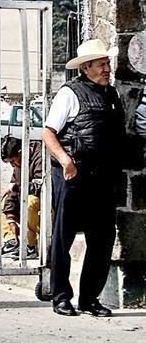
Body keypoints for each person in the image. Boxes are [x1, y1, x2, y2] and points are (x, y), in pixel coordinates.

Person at [42, 39, 124, 318]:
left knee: (101, 240)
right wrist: (65, 162)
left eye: (108, 63)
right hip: (73, 176)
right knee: (63, 238)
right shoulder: (69, 94)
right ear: (86, 67)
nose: (107, 69)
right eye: (101, 64)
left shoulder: (112, 95)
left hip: (103, 179)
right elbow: (48, 132)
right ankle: (61, 297)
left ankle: (90, 299)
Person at [0, 136, 42, 259]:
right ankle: (12, 240)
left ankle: (30, 245)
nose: (12, 165)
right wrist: (10, 217)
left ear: (20, 153)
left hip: (45, 206)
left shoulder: (40, 157)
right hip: (24, 201)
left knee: (30, 201)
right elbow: (13, 188)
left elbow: (40, 187)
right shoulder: (19, 162)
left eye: (13, 161)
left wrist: (15, 187)